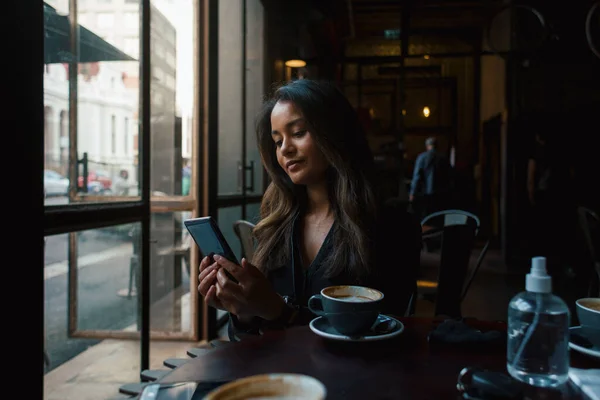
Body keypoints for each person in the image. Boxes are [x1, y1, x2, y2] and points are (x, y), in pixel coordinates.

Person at [197, 79, 422, 341]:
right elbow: (250, 341)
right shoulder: (275, 228)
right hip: (277, 379)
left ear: (335, 133)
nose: (285, 149)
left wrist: (281, 313)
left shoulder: (394, 228)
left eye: (298, 132)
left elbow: (385, 337)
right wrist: (243, 312)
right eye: (277, 140)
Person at [409, 137, 453, 219]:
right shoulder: (443, 158)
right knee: (439, 218)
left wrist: (412, 193)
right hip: (441, 194)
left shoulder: (422, 158)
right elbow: (450, 176)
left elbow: (417, 177)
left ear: (427, 146)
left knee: (427, 218)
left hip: (426, 195)